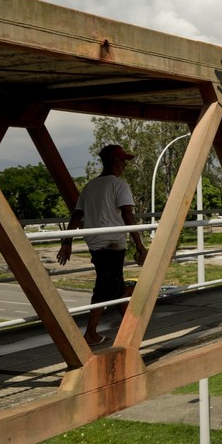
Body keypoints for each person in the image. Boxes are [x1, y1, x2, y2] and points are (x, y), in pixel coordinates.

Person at [57, 144, 147, 346]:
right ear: (116, 162)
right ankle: (90, 333)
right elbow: (127, 215)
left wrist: (67, 242)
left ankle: (129, 327)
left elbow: (77, 216)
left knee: (115, 285)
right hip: (113, 243)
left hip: (95, 243)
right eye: (123, 161)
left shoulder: (89, 187)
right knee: (105, 288)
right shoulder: (119, 185)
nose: (125, 165)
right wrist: (140, 245)